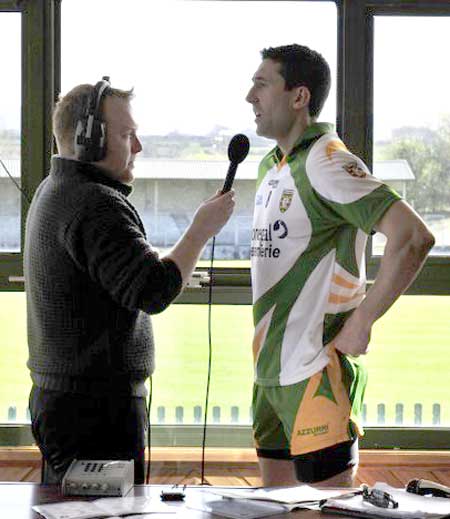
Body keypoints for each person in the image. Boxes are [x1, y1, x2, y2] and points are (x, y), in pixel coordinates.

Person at [24, 79, 235, 484]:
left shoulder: (57, 188)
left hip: (69, 402)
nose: (137, 147)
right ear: (89, 140)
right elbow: (153, 289)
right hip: (94, 412)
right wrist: (200, 230)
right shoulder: (95, 203)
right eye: (126, 134)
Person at [246, 44, 435, 487]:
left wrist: (363, 321)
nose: (249, 97)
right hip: (268, 374)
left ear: (299, 97)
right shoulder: (269, 166)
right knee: (276, 512)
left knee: (327, 512)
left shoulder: (326, 161)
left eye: (261, 84)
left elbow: (413, 238)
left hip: (315, 372)